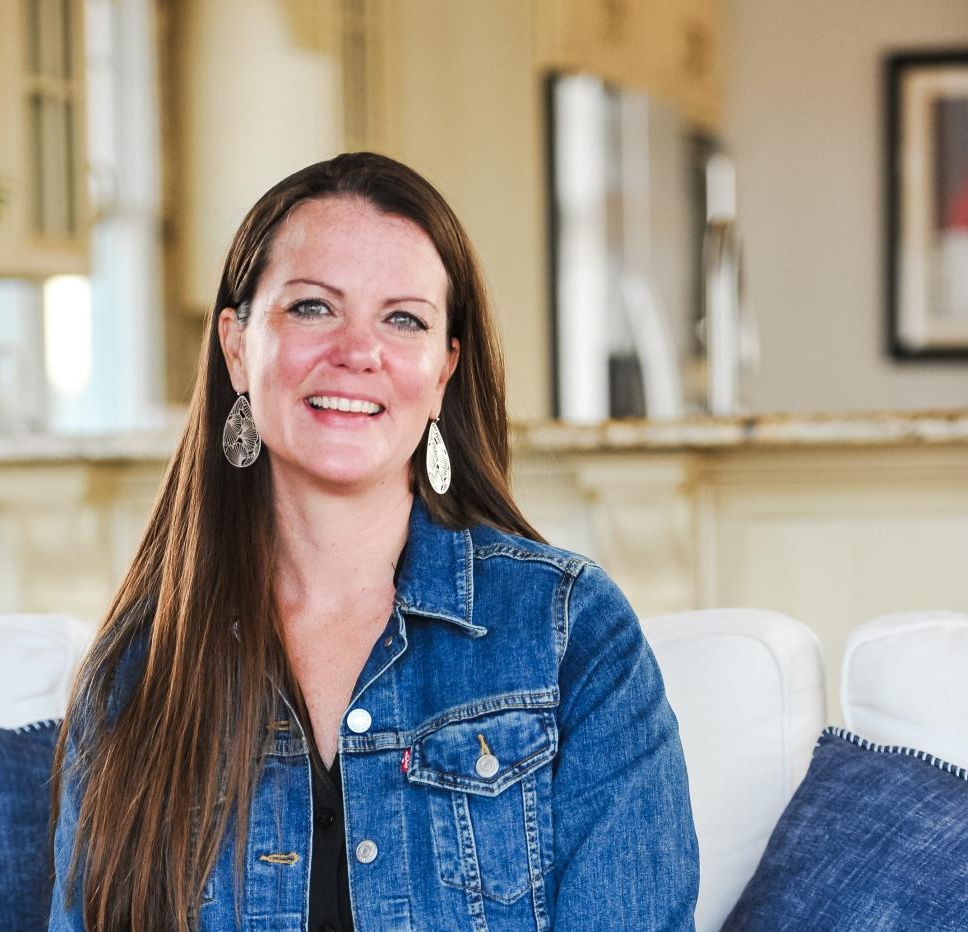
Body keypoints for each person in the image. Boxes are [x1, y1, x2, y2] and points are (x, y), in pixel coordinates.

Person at [48, 152, 699, 931]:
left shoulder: (569, 635)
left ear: (443, 371)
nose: (358, 351)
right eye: (314, 307)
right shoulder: (140, 667)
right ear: (236, 347)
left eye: (403, 319)